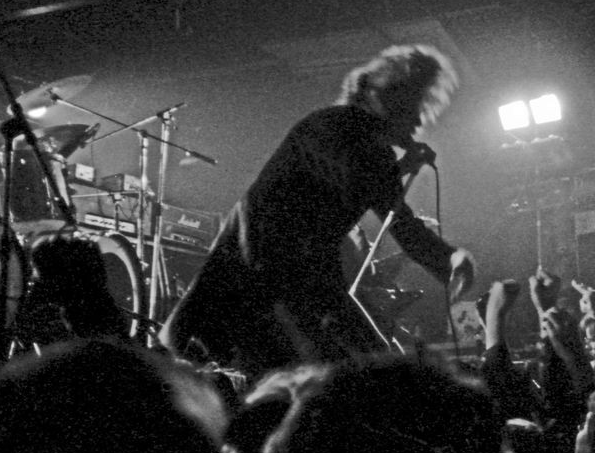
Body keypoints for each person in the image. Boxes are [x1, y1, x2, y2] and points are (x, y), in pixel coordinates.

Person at [162, 45, 475, 375]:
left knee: (350, 369)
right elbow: (371, 193)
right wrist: (448, 258)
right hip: (270, 273)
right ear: (390, 99)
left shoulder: (351, 136)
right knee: (344, 371)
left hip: (289, 272)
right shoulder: (342, 131)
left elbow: (384, 206)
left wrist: (449, 258)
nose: (419, 122)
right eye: (416, 109)